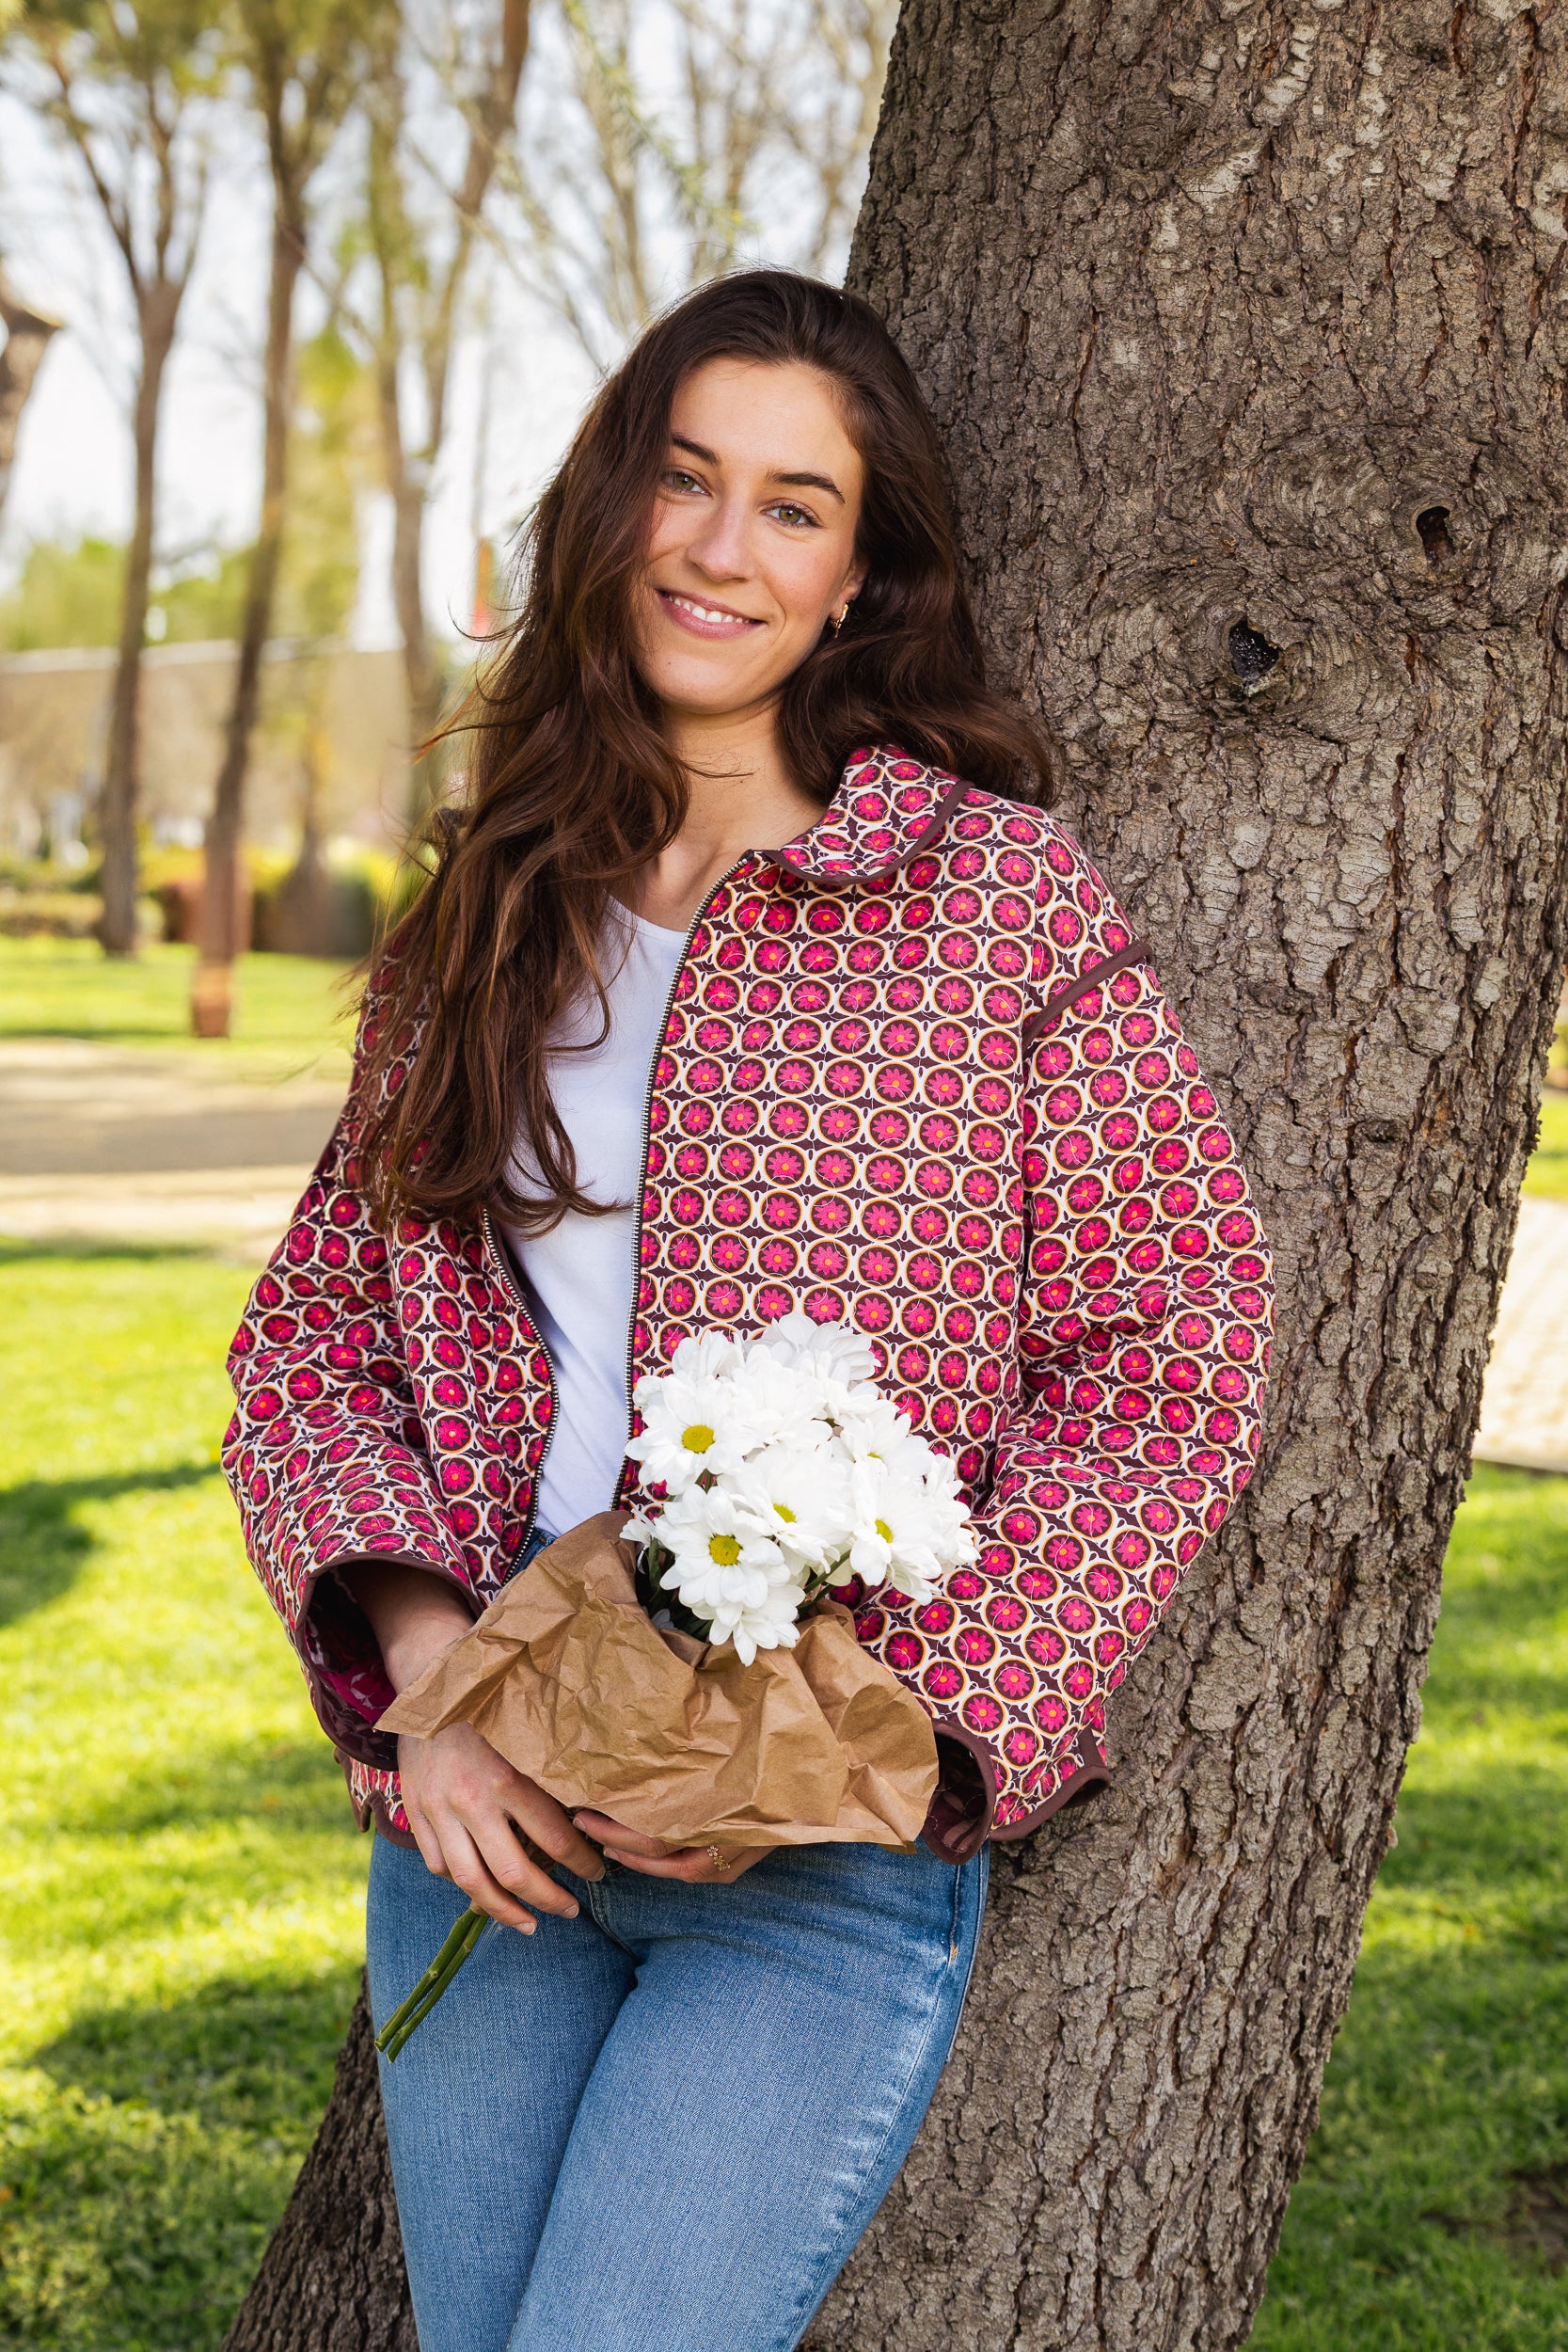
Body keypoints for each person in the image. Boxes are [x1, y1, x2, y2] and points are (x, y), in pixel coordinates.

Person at [223, 269, 1274, 2352]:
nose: (721, 547)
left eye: (795, 507)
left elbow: (1178, 1338)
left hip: (810, 1864)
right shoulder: (487, 914)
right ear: (614, 504)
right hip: (489, 1806)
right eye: (686, 479)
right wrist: (425, 1673)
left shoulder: (991, 902)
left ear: (859, 574)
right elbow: (312, 1337)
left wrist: (895, 1725)